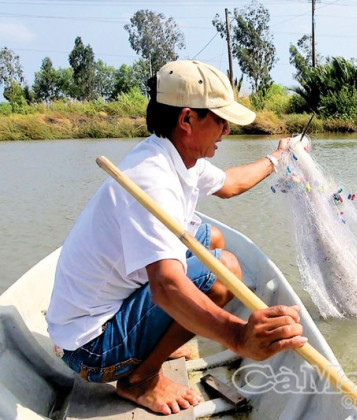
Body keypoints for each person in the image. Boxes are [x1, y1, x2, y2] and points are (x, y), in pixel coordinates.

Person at [46, 59, 307, 415]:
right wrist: (238, 337)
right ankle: (140, 380)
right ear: (187, 120)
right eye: (220, 120)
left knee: (211, 236)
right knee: (223, 269)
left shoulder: (176, 154)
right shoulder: (152, 178)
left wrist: (278, 158)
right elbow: (166, 287)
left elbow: (229, 185)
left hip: (100, 314)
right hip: (90, 347)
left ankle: (158, 343)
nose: (227, 130)